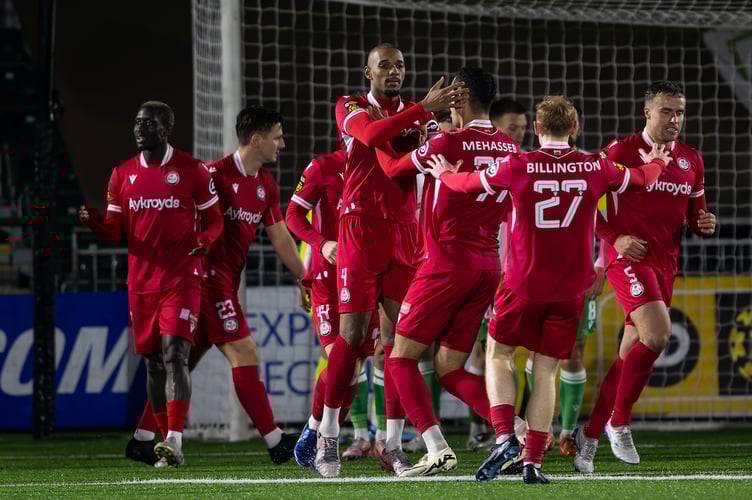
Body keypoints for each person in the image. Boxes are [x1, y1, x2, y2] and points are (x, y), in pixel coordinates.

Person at [426, 95, 672, 484]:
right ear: (574, 128)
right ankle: (533, 462)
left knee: (499, 355)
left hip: (522, 283)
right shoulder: (595, 166)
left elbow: (467, 184)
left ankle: (506, 435)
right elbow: (642, 178)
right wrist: (659, 159)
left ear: (538, 130)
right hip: (569, 289)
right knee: (546, 369)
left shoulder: (518, 165)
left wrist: (442, 174)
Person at [313, 42, 468, 478]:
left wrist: (453, 129)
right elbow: (372, 136)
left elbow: (435, 156)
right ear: (369, 72)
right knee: (353, 335)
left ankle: (393, 445)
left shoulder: (423, 116)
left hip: (405, 233)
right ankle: (328, 432)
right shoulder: (351, 106)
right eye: (385, 65)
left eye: (400, 65)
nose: (394, 71)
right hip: (359, 228)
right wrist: (424, 109)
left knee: (400, 343)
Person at [373, 66, 518, 477]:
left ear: (461, 97)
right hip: (488, 267)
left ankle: (435, 446)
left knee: (399, 356)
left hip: (444, 267)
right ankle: (515, 431)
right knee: (451, 369)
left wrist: (383, 131)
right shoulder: (510, 146)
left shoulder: (447, 142)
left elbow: (392, 167)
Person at [574, 81, 716, 473]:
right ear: (647, 112)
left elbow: (694, 216)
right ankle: (619, 422)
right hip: (628, 260)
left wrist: (704, 223)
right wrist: (614, 238)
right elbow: (586, 200)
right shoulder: (619, 151)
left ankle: (588, 436)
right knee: (657, 335)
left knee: (629, 354)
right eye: (667, 111)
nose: (675, 119)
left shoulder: (692, 160)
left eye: (680, 112)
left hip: (666, 263)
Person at [79, 101, 224, 467]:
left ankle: (174, 439)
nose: (139, 128)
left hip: (182, 276)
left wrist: (204, 242)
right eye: (137, 122)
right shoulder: (121, 174)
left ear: (166, 128)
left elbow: (214, 220)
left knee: (175, 353)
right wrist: (95, 221)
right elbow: (116, 231)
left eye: (147, 123)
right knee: (153, 365)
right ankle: (164, 444)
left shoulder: (192, 170)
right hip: (141, 282)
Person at [286, 150, 381, 464]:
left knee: (357, 366)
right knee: (341, 361)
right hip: (327, 278)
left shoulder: (384, 164)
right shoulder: (322, 167)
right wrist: (321, 243)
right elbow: (293, 216)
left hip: (366, 274)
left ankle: (320, 432)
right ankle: (320, 433)